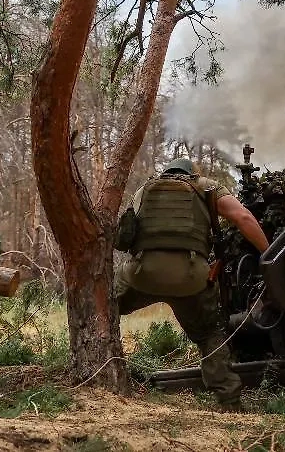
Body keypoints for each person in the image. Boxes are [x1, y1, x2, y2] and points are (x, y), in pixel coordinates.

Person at [115, 157, 270, 411]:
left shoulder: (144, 190)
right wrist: (268, 253)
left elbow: (125, 233)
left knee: (106, 304)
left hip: (142, 274)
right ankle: (229, 401)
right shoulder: (207, 187)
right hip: (190, 278)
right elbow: (243, 217)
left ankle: (104, 370)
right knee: (209, 333)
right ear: (192, 174)